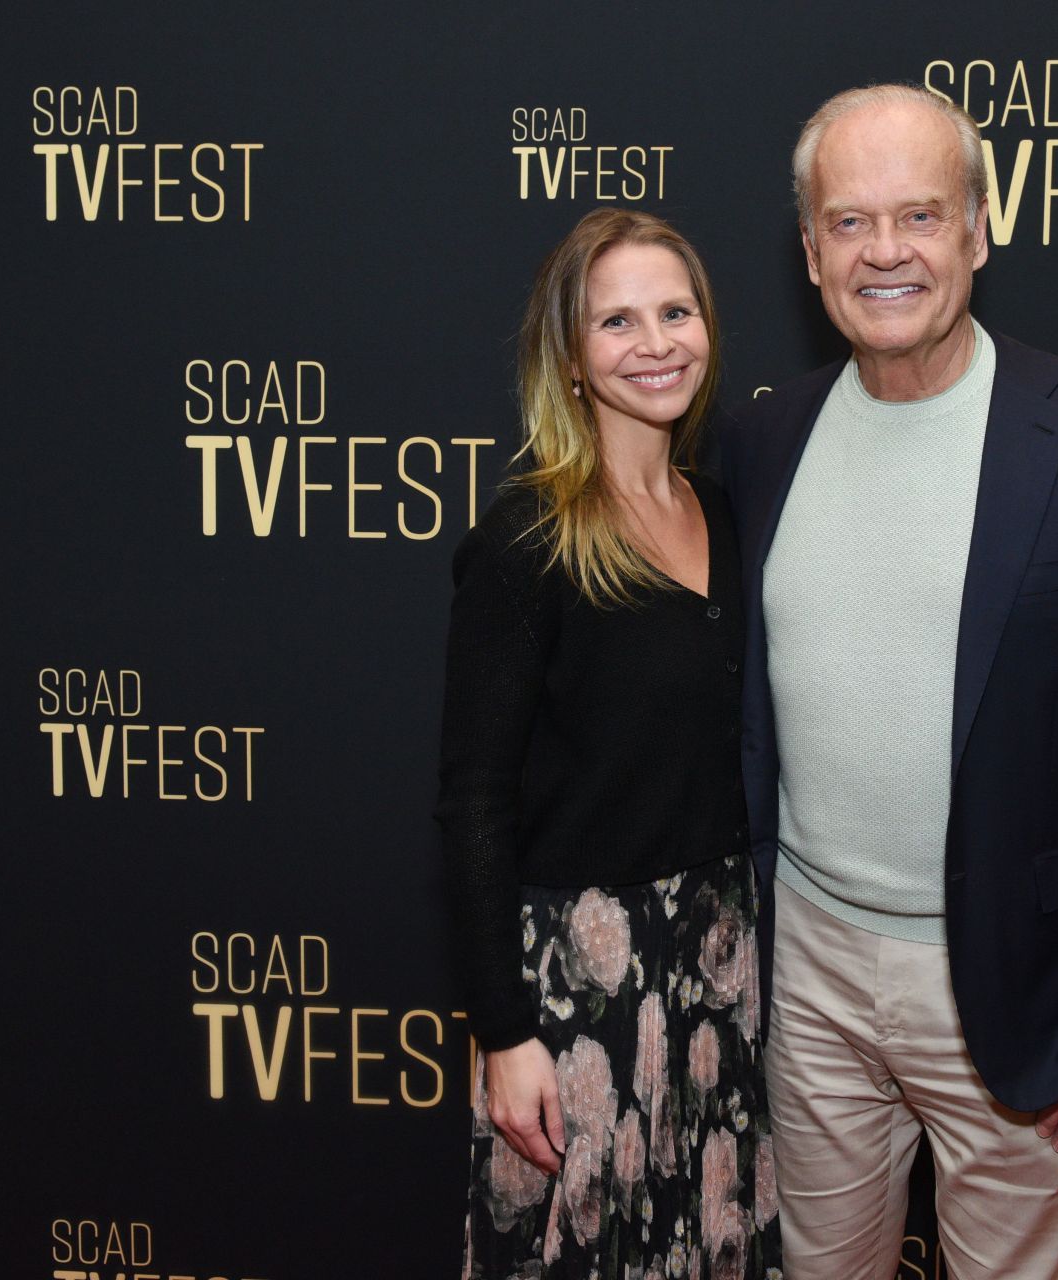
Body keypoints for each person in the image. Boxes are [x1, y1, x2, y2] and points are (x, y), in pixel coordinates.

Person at [714, 85, 1058, 1279]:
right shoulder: (761, 442)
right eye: (849, 223)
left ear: (979, 230)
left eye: (920, 215)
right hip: (808, 973)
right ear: (810, 252)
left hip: (1032, 980)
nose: (886, 252)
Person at [437, 207, 782, 1279]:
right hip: (582, 984)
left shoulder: (726, 516)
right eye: (617, 321)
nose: (656, 341)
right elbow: (474, 799)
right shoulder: (527, 539)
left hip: (722, 964)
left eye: (676, 311)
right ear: (572, 359)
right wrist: (506, 1031)